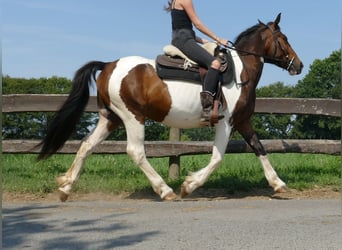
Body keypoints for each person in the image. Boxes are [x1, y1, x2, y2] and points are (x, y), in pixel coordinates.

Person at [164, 0, 229, 122]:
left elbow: (185, 30)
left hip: (182, 39)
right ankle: (207, 109)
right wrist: (218, 39)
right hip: (185, 41)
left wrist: (206, 41)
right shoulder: (185, 0)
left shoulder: (175, 2)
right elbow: (197, 24)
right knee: (215, 63)